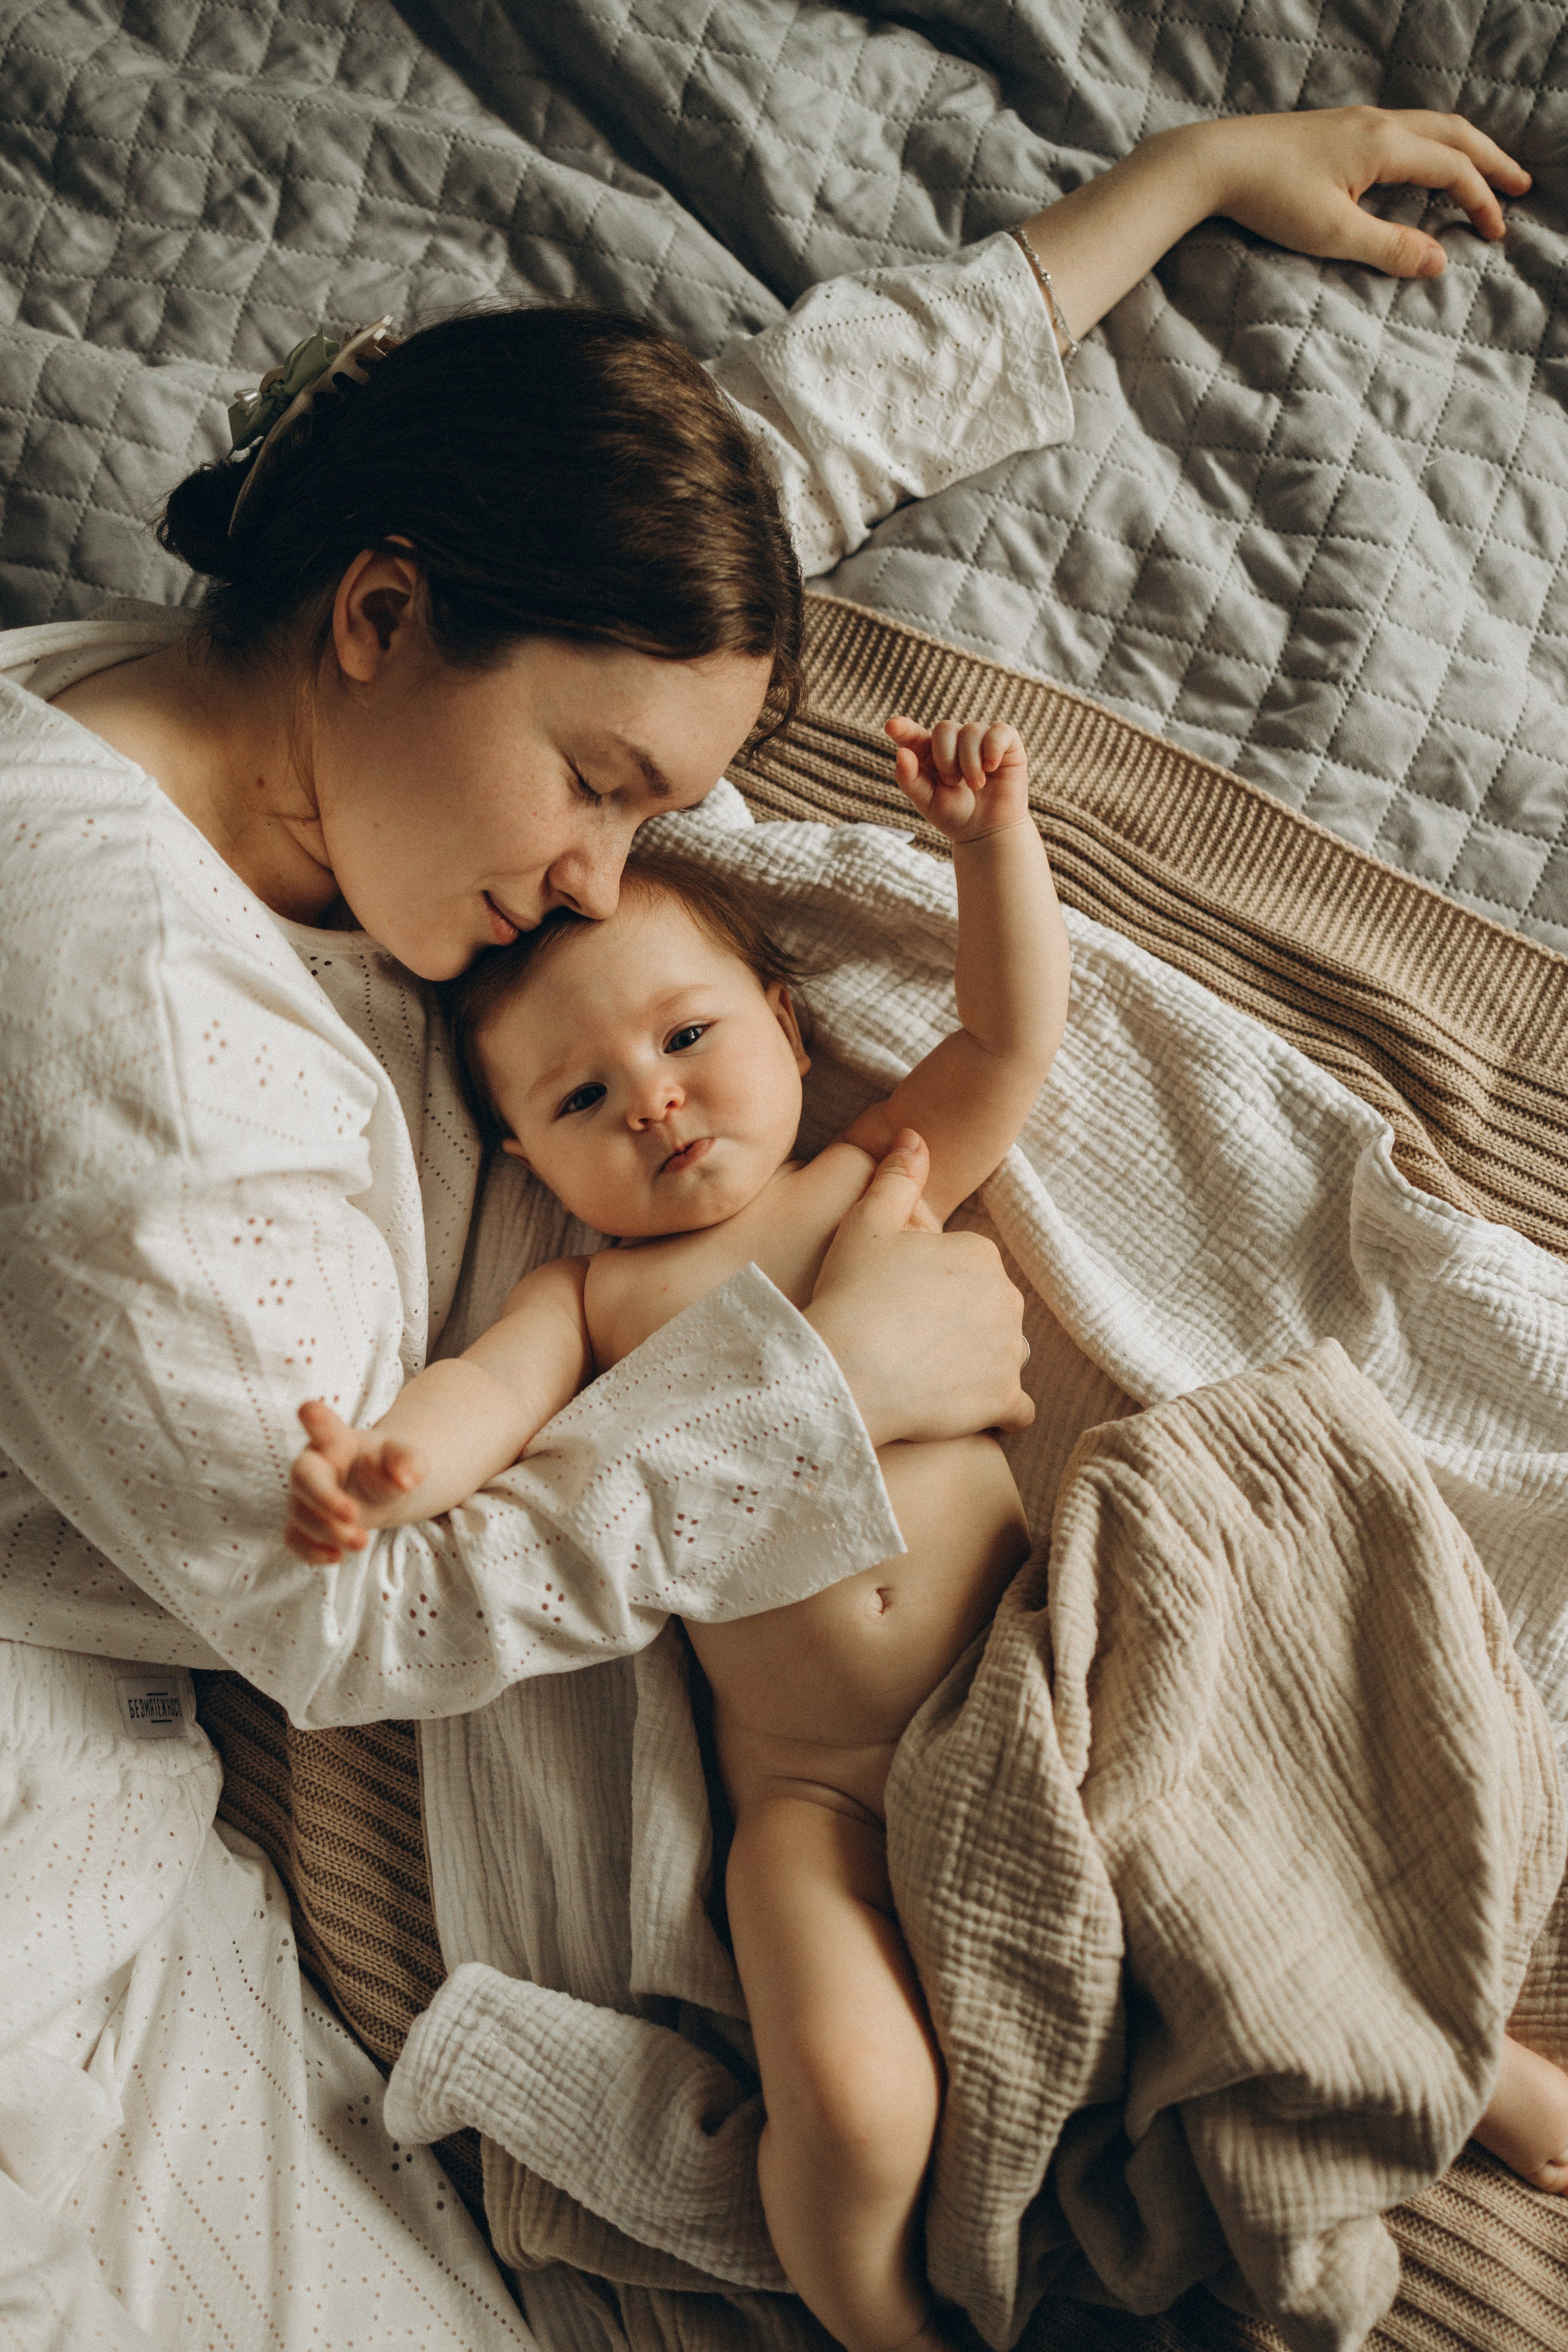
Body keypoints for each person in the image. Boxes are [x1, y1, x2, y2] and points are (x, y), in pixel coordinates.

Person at [0, 100, 1532, 2352]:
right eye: (603, 793)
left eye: (647, 809)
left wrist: (1191, 181)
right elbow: (338, 1611)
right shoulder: (131, 1010)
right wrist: (818, 1388)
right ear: (380, 613)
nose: (603, 884)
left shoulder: (349, 713)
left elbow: (760, 478)